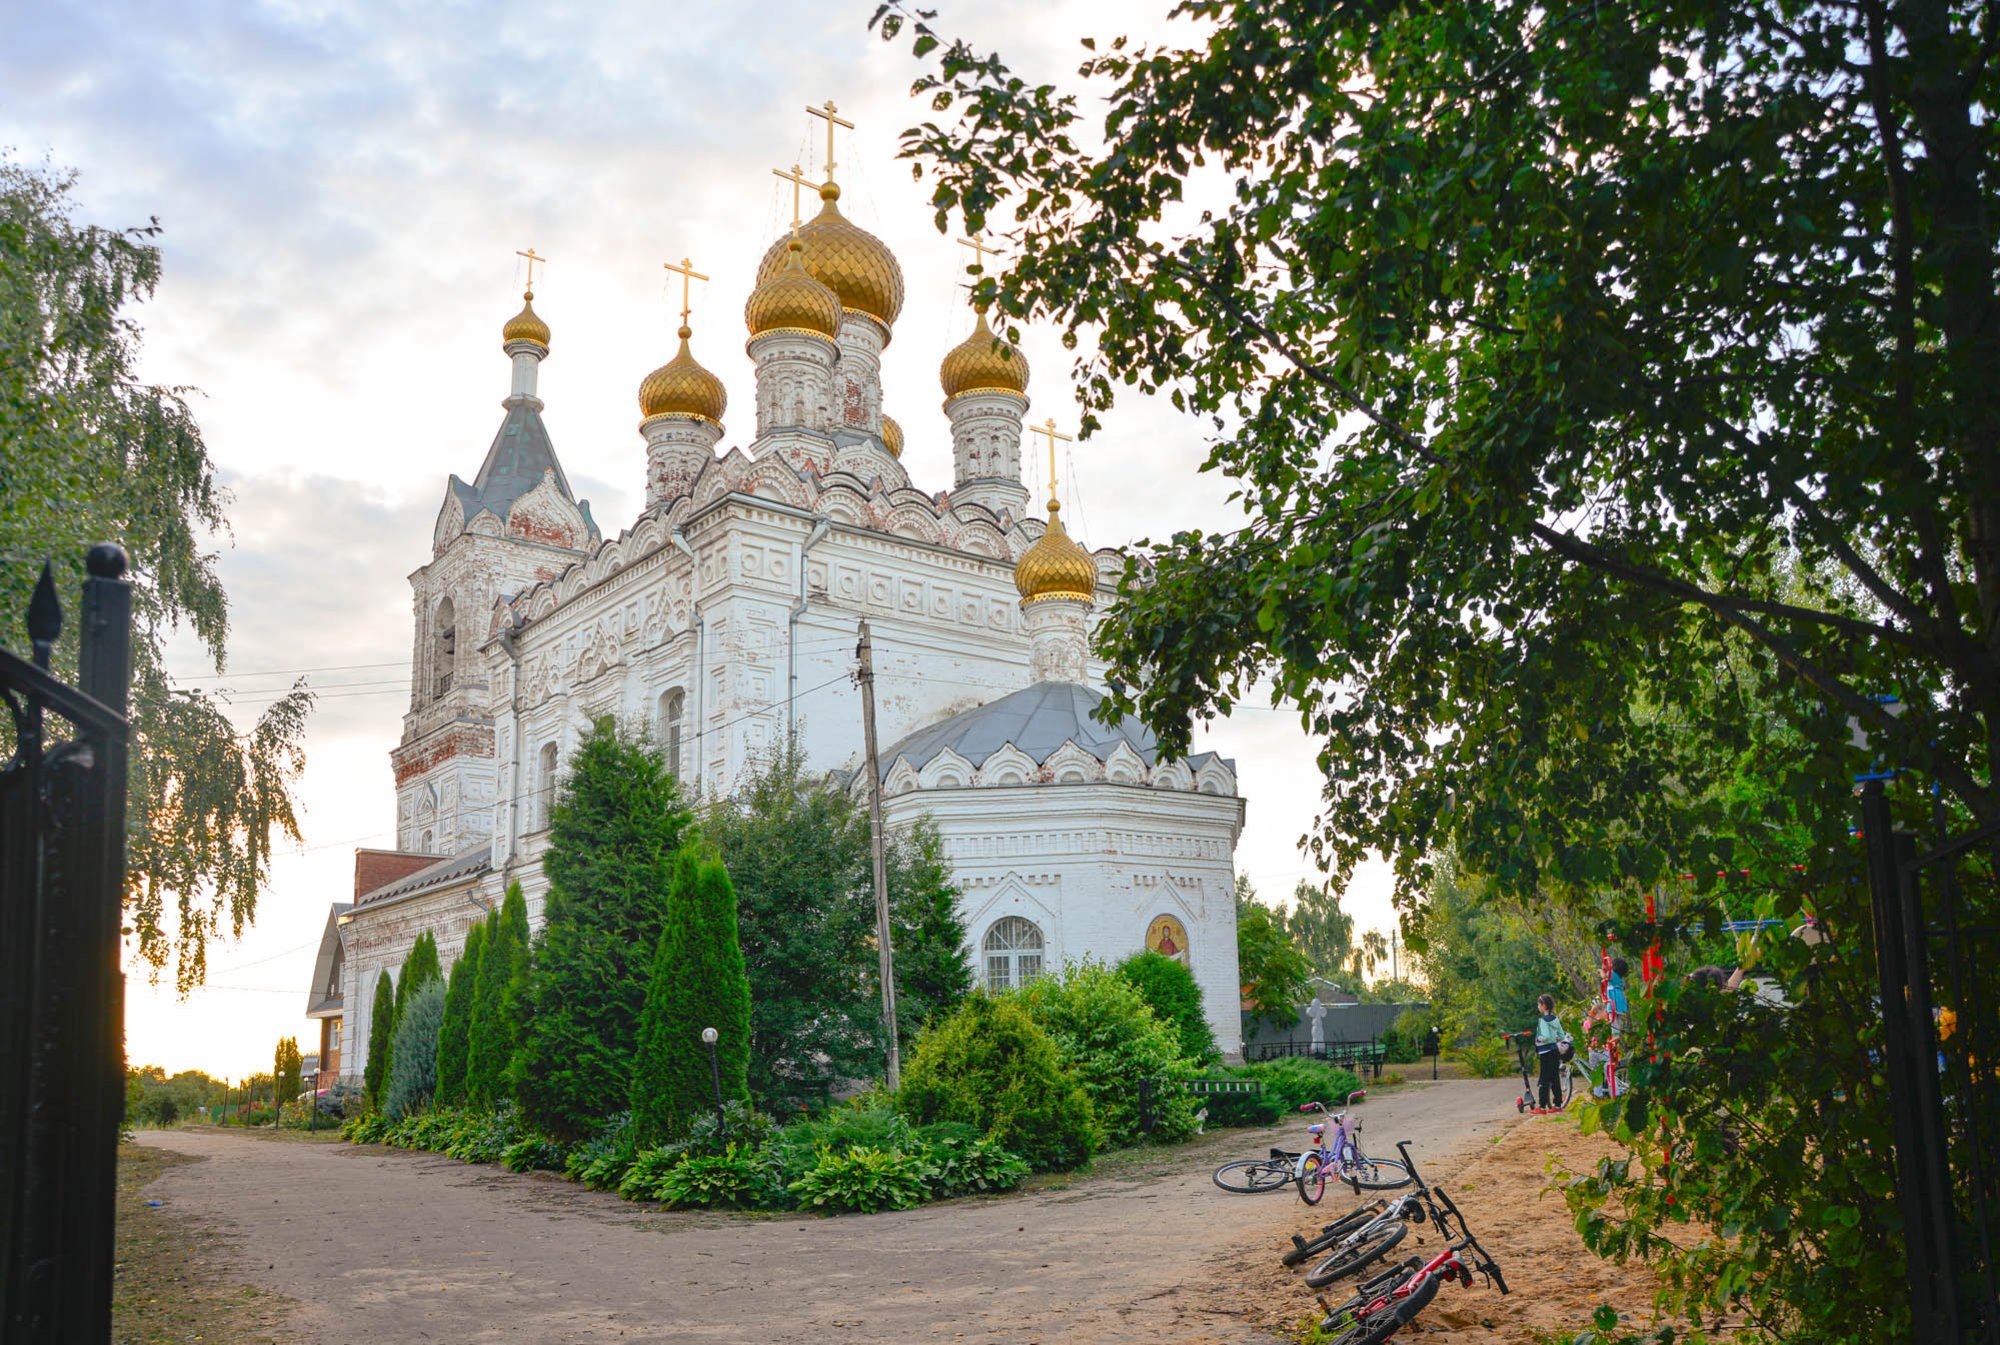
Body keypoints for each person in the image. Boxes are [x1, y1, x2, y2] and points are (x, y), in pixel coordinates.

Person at [1534, 993, 1568, 1109]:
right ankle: (1557, 1104)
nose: (1538, 1006)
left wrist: (1539, 1038)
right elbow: (1561, 1035)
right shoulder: (1555, 1019)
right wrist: (1554, 1039)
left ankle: (1542, 1106)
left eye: (1539, 1004)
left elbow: (1546, 1036)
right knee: (1555, 1078)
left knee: (1544, 1079)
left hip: (1545, 1052)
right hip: (1555, 1051)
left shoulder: (1543, 1021)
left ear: (1543, 1005)